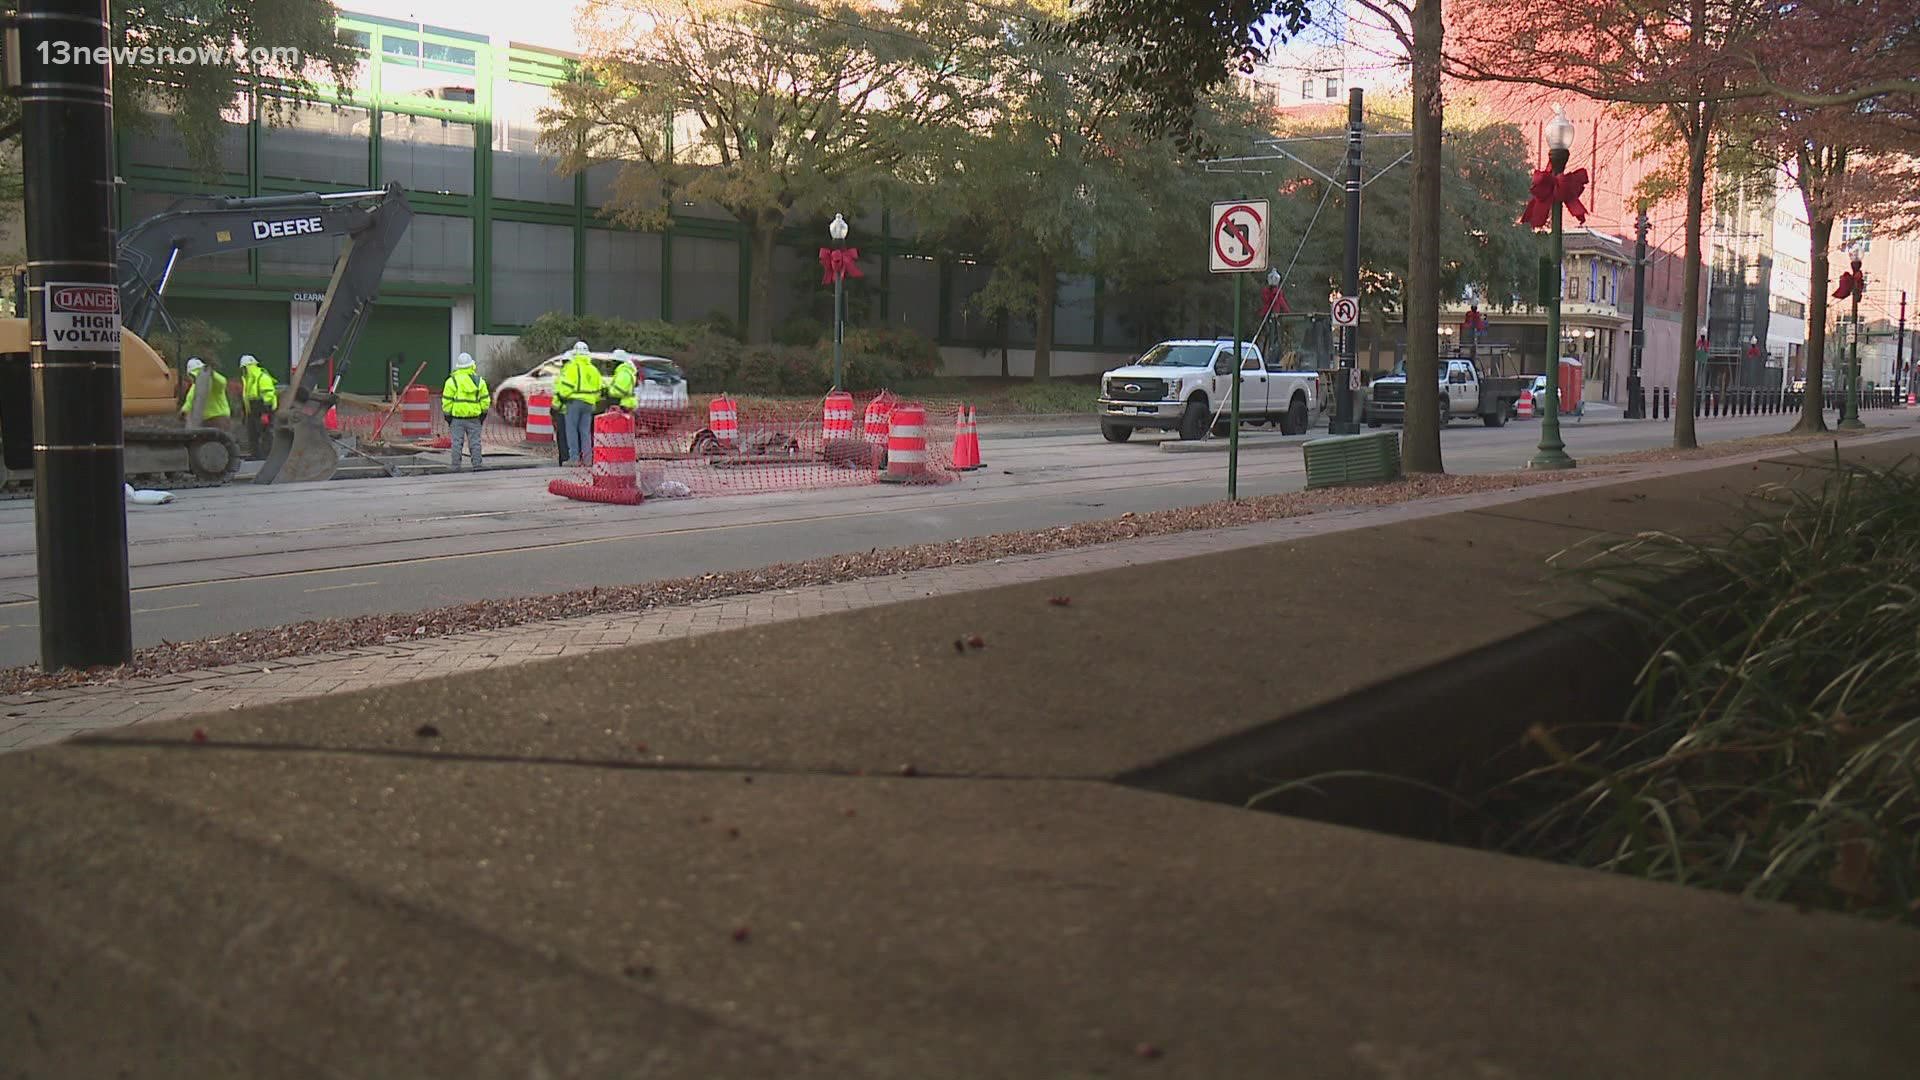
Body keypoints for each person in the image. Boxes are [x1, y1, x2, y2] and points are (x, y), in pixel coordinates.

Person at [553, 340, 602, 465]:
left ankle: (574, 459)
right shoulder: (593, 369)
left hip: (573, 402)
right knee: (585, 432)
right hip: (589, 403)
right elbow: (599, 389)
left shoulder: (572, 367)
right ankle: (588, 459)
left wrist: (560, 401)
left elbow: (565, 387)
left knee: (572, 431)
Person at [442, 351, 490, 471]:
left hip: (456, 419)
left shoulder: (451, 381)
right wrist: (483, 414)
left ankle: (455, 466)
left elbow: (447, 401)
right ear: (471, 365)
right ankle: (477, 465)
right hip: (474, 418)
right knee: (475, 442)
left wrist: (448, 416)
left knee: (457, 443)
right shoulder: (479, 381)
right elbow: (485, 401)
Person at [237, 354, 278, 459]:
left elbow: (268, 396)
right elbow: (247, 397)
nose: (243, 371)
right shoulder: (248, 380)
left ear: (249, 366)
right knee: (253, 434)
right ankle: (256, 455)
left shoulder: (262, 377)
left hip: (263, 409)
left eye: (244, 368)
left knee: (266, 433)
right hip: (253, 410)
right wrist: (246, 412)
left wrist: (265, 413)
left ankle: (267, 455)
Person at [180, 356, 232, 431]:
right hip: (204, 421)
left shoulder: (213, 382)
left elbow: (222, 382)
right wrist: (184, 411)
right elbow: (190, 402)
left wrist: (212, 374)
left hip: (219, 419)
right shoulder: (194, 388)